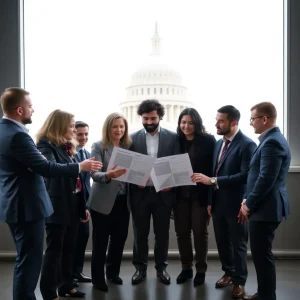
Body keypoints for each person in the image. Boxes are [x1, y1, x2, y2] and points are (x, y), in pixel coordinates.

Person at [0, 87, 101, 300]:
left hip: (16, 203)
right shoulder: (19, 136)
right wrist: (79, 167)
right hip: (26, 206)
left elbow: (36, 166)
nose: (33, 110)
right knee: (30, 262)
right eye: (29, 106)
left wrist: (37, 165)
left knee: (27, 260)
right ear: (19, 110)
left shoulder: (4, 131)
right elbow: (46, 168)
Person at [192, 105, 256, 298]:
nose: (216, 124)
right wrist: (211, 201)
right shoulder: (219, 144)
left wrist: (213, 181)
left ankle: (239, 282)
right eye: (216, 119)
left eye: (221, 121)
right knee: (222, 242)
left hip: (237, 205)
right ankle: (228, 272)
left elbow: (245, 176)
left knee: (239, 244)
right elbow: (215, 171)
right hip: (218, 204)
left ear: (234, 122)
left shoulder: (247, 145)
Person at [37, 110, 99, 300]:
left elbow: (78, 182)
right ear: (59, 125)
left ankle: (66, 286)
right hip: (57, 205)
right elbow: (52, 169)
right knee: (54, 250)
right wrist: (80, 166)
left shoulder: (67, 147)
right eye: (71, 126)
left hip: (73, 205)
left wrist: (83, 207)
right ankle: (49, 292)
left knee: (69, 248)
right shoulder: (45, 144)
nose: (73, 130)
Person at [239, 102, 291, 300]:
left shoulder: (272, 142)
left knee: (262, 256)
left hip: (266, 208)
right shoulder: (269, 139)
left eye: (252, 119)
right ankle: (264, 293)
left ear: (264, 119)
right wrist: (247, 200)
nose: (251, 123)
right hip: (264, 206)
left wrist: (249, 204)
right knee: (261, 255)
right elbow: (258, 177)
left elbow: (266, 179)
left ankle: (267, 296)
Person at [130, 99, 180, 285]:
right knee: (140, 234)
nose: (149, 122)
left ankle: (161, 268)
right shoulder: (132, 138)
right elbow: (128, 166)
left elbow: (177, 164)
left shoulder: (173, 137)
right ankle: (140, 269)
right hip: (139, 194)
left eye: (153, 118)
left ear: (160, 117)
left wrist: (171, 184)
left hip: (164, 194)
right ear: (141, 117)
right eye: (145, 118)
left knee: (162, 234)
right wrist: (136, 180)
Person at [89, 112, 131, 292]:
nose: (119, 130)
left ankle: (113, 273)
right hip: (102, 203)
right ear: (108, 128)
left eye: (122, 127)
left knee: (119, 240)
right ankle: (98, 279)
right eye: (115, 127)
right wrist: (108, 175)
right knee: (100, 242)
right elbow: (93, 174)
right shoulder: (99, 146)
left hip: (123, 202)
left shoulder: (128, 147)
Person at [174, 108, 215, 286]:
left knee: (200, 233)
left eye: (190, 122)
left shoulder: (208, 141)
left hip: (200, 195)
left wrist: (211, 199)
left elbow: (214, 170)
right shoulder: (176, 141)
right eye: (183, 122)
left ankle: (201, 269)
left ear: (196, 123)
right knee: (182, 233)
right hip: (180, 195)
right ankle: (186, 268)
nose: (186, 126)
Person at [72, 121, 92, 283]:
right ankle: (66, 275)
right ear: (72, 134)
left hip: (85, 203)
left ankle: (77, 272)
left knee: (83, 237)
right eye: (80, 134)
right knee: (70, 241)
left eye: (86, 134)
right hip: (74, 204)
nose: (84, 137)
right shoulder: (71, 154)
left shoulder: (87, 153)